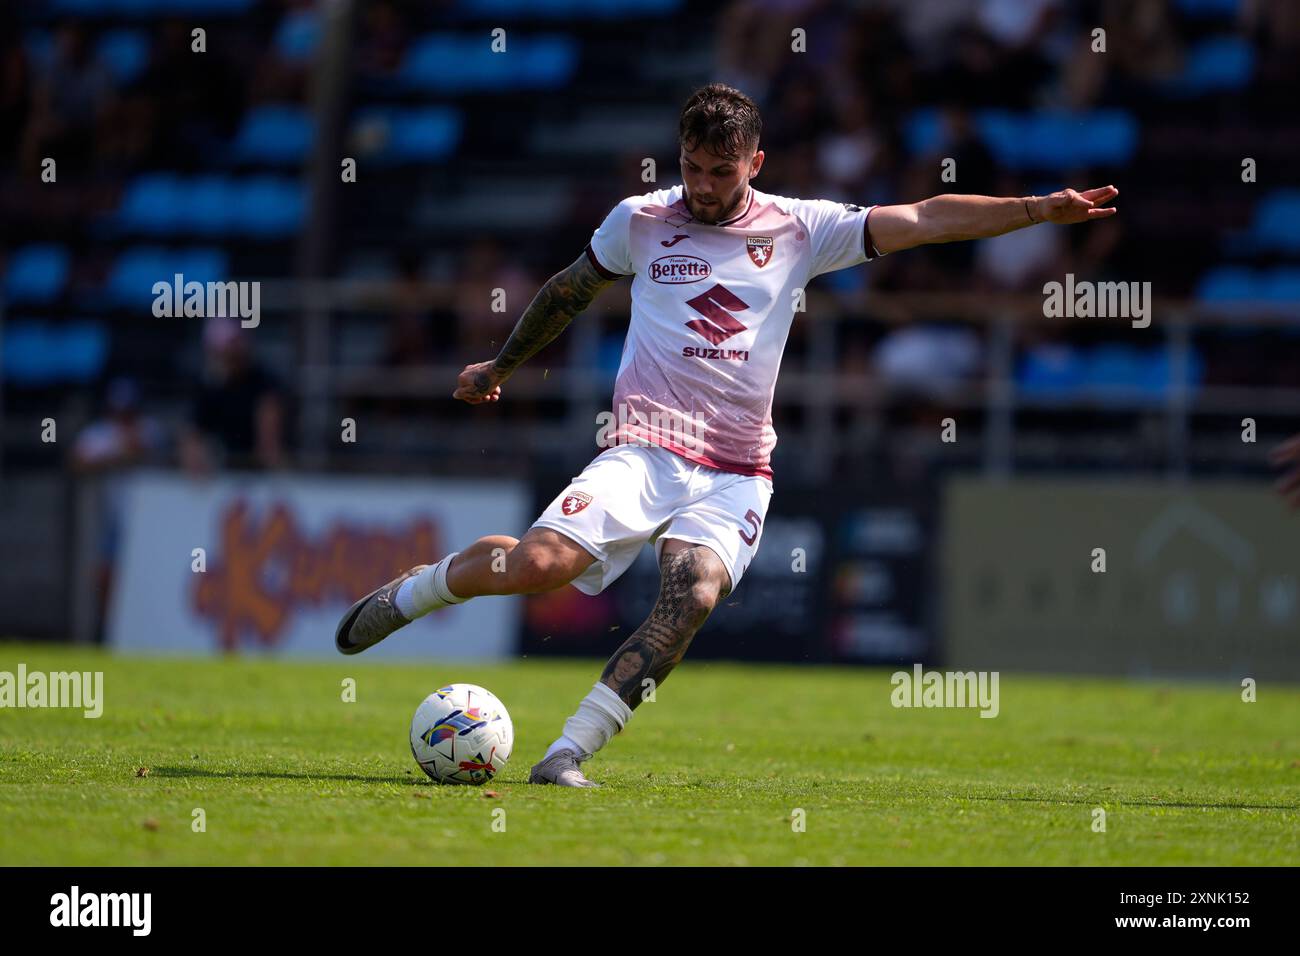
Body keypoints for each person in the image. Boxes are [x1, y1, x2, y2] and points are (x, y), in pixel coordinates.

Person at [334, 83, 1118, 786]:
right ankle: (420, 589)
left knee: (694, 595)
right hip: (644, 447)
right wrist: (501, 364)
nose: (704, 189)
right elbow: (569, 291)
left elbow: (920, 219)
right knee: (540, 565)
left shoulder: (801, 229)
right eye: (693, 169)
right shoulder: (640, 221)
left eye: (722, 172)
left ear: (754, 161)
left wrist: (1033, 210)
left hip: (739, 469)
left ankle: (567, 753)